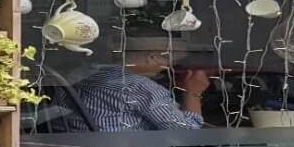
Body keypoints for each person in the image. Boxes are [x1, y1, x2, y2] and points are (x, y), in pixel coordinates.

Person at [54, 39, 210, 132]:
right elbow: (186, 132)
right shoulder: (138, 86)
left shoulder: (83, 71)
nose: (170, 68)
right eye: (172, 62)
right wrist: (192, 92)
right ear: (153, 57)